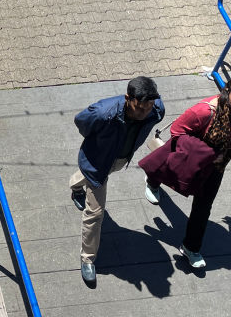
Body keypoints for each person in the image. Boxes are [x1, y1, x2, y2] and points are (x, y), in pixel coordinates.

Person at [143, 72, 231, 270]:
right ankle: (152, 181)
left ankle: (191, 247)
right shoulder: (205, 111)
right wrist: (204, 153)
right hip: (194, 157)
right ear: (226, 92)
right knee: (165, 170)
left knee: (203, 207)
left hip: (216, 167)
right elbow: (178, 130)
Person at [70, 77, 164, 285]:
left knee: (88, 178)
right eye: (139, 108)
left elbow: (154, 114)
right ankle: (87, 258)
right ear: (127, 98)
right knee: (95, 213)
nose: (144, 113)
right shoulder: (104, 113)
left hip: (119, 160)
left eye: (148, 108)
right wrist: (97, 145)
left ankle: (76, 187)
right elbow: (81, 122)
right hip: (96, 162)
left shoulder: (156, 109)